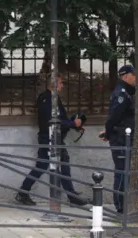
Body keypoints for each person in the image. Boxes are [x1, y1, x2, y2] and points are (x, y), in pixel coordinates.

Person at [15, 74, 89, 207]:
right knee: (56, 165)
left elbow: (61, 119)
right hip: (49, 138)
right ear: (53, 84)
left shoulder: (53, 98)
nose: (62, 85)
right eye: (60, 83)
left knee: (46, 166)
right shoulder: (47, 99)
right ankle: (71, 197)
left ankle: (23, 192)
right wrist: (73, 124)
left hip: (54, 137)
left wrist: (75, 125)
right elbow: (52, 120)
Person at [100, 64, 136, 214]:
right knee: (121, 171)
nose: (136, 78)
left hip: (123, 137)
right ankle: (120, 205)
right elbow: (113, 118)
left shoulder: (127, 93)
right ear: (126, 76)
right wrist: (109, 133)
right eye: (134, 75)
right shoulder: (121, 94)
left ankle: (122, 203)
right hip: (120, 138)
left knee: (124, 171)